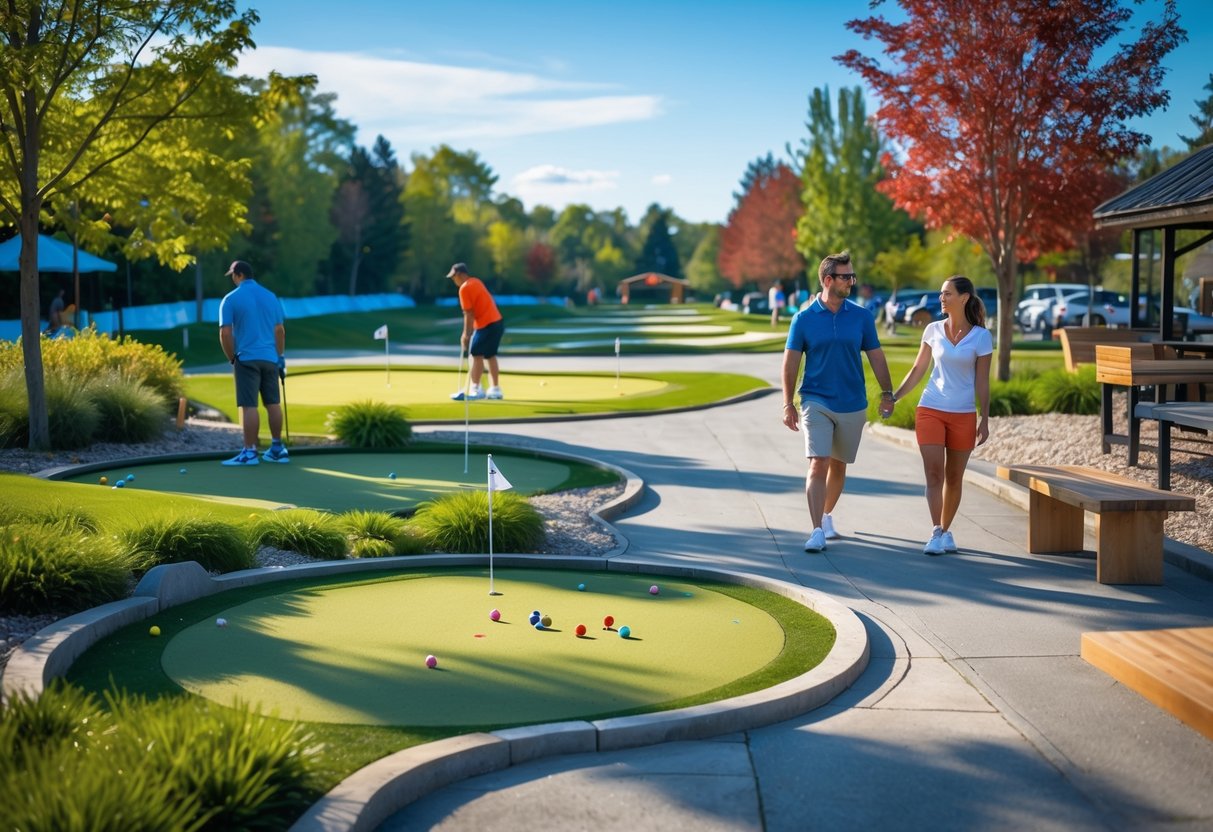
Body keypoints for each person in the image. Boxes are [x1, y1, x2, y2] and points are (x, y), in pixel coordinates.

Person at [781, 250, 896, 552]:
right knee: (818, 462)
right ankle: (816, 529)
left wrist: (887, 392)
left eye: (852, 276)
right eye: (847, 277)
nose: (852, 282)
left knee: (839, 466)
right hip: (815, 400)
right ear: (828, 279)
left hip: (852, 402)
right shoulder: (803, 319)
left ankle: (826, 514)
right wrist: (788, 402)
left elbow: (876, 357)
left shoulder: (861, 317)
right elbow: (790, 363)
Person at [887, 275, 992, 555]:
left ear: (964, 298)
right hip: (930, 408)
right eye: (941, 293)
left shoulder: (982, 337)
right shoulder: (932, 330)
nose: (941, 298)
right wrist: (895, 397)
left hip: (963, 414)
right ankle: (936, 532)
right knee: (934, 474)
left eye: (947, 294)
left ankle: (946, 530)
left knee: (954, 478)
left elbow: (983, 381)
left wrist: (985, 418)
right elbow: (918, 370)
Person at [217, 260, 288, 466]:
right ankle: (277, 448)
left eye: (233, 275)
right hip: (270, 358)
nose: (232, 278)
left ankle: (249, 452)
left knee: (249, 406)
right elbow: (279, 331)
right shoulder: (270, 296)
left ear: (238, 275)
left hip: (246, 358)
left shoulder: (230, 299)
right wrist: (280, 356)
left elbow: (225, 332)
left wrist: (231, 357)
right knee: (273, 403)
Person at [447, 262, 506, 401]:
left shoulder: (464, 288)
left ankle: (476, 388)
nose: (453, 280)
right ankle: (495, 389)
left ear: (460, 275)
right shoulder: (476, 281)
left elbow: (468, 313)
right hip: (497, 322)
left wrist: (466, 334)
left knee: (476, 353)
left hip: (486, 324)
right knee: (490, 355)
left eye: (454, 277)